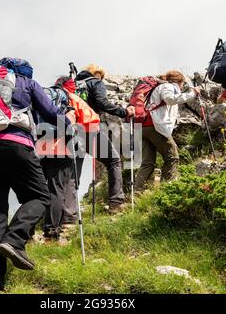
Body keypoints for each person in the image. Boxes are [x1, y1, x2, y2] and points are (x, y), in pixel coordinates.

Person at [0, 57, 71, 292]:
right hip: (13, 144)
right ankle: (14, 241)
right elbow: (50, 112)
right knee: (39, 196)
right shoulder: (25, 82)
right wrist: (69, 125)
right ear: (25, 73)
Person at [36, 76, 99, 240]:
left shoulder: (43, 97)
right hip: (62, 147)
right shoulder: (71, 99)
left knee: (44, 187)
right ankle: (52, 229)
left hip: (41, 146)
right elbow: (93, 120)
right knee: (57, 187)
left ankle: (33, 226)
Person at [75, 64, 135, 213]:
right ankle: (116, 203)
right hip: (88, 128)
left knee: (73, 171)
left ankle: (66, 215)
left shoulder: (73, 85)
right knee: (113, 160)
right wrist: (124, 112)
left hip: (70, 129)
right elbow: (103, 102)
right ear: (97, 74)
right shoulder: (95, 82)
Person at [135, 71, 200, 191]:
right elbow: (170, 99)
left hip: (142, 127)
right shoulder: (167, 86)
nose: (182, 87)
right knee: (172, 157)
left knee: (147, 162)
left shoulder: (157, 88)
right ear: (178, 82)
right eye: (182, 84)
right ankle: (168, 189)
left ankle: (137, 191)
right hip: (155, 126)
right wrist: (192, 94)